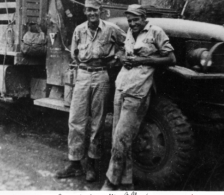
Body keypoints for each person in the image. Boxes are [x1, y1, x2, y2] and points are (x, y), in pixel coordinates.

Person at [101, 4, 176, 190]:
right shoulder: (129, 32)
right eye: (130, 20)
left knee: (122, 137)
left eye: (136, 20)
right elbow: (125, 53)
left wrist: (143, 60)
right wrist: (121, 58)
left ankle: (110, 182)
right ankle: (126, 184)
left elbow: (171, 59)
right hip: (122, 87)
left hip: (139, 91)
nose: (133, 23)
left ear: (144, 18)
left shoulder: (156, 32)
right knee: (117, 136)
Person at [55, 0, 126, 182]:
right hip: (83, 75)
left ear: (100, 11)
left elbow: (127, 43)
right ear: (85, 11)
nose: (92, 13)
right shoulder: (79, 30)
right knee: (75, 120)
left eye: (95, 10)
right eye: (88, 10)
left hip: (102, 75)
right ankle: (75, 163)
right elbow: (74, 53)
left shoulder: (111, 29)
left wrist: (117, 58)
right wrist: (83, 66)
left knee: (97, 122)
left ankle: (92, 165)